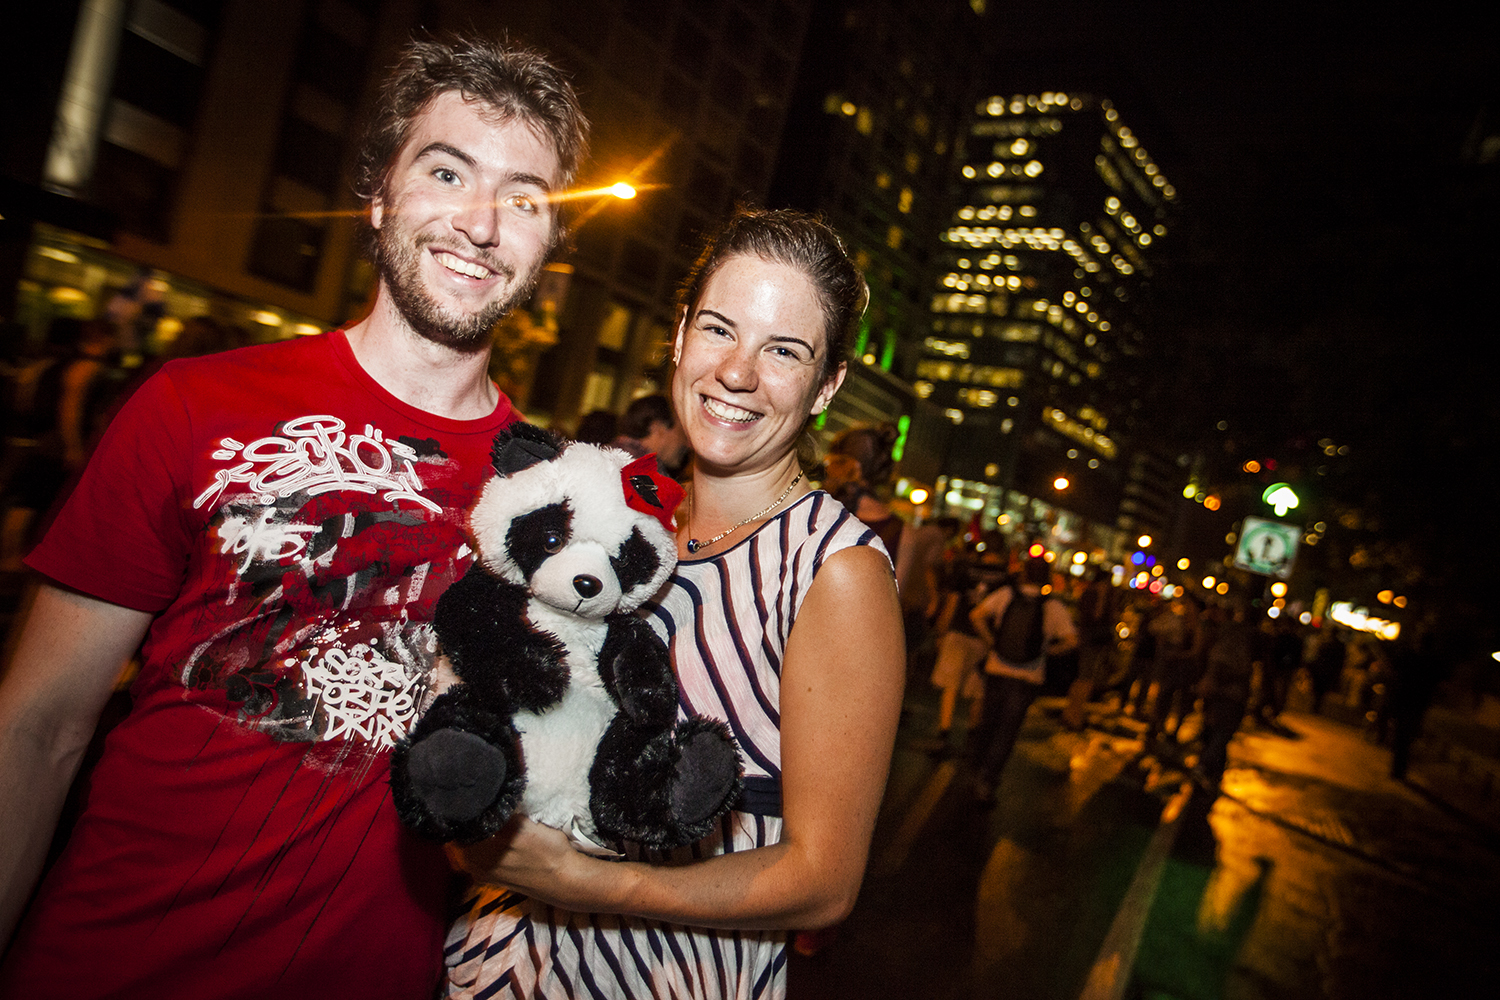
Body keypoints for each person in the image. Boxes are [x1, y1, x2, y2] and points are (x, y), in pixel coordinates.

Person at [0, 35, 589, 998]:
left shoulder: (556, 506)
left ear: (550, 243)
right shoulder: (194, 404)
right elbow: (36, 729)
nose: (483, 224)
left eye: (525, 198)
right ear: (378, 196)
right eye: (448, 171)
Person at [441, 208, 906, 998]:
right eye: (720, 329)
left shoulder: (834, 568)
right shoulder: (630, 517)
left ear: (827, 386)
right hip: (497, 962)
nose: (737, 372)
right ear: (681, 333)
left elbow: (825, 881)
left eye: (784, 351)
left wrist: (588, 884)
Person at [967, 556, 1078, 803]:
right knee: (1007, 730)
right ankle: (988, 779)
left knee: (988, 721)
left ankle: (974, 769)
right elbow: (1071, 641)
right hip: (1028, 676)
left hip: (997, 668)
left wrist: (992, 643)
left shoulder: (1006, 594)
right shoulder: (1053, 606)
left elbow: (976, 615)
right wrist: (1048, 652)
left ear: (1024, 573)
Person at [612, 391, 691, 477]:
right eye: (683, 432)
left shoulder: (613, 459)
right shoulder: (644, 474)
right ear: (657, 428)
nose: (689, 444)